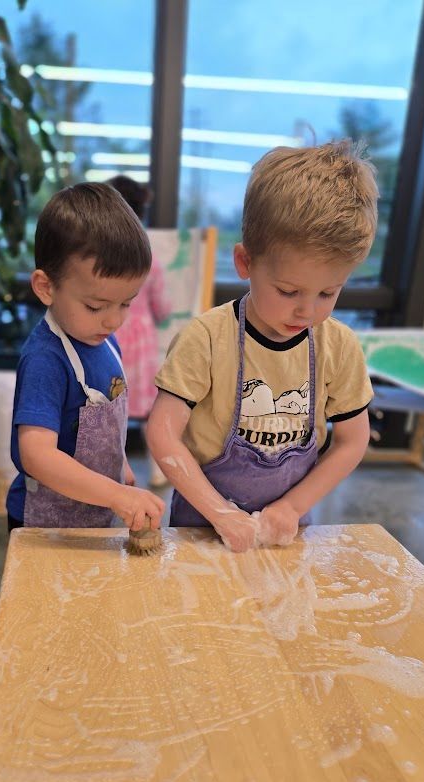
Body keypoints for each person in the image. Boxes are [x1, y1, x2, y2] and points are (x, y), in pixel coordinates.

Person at [147, 140, 377, 552]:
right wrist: (220, 512)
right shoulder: (207, 339)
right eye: (288, 291)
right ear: (245, 262)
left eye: (328, 293)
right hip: (201, 525)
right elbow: (163, 434)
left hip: (287, 527)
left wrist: (293, 506)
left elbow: (352, 441)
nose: (307, 310)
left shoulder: (338, 345)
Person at [6, 182, 165, 533]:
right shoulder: (46, 361)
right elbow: (37, 455)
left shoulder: (105, 342)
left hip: (93, 512)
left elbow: (104, 427)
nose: (113, 320)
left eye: (126, 303)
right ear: (46, 287)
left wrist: (119, 466)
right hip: (45, 523)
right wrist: (115, 494)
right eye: (95, 306)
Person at [106, 175, 172, 487]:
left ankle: (114, 469)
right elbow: (162, 307)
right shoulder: (149, 259)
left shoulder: (100, 258)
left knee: (111, 409)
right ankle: (159, 469)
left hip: (110, 337)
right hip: (142, 343)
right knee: (150, 412)